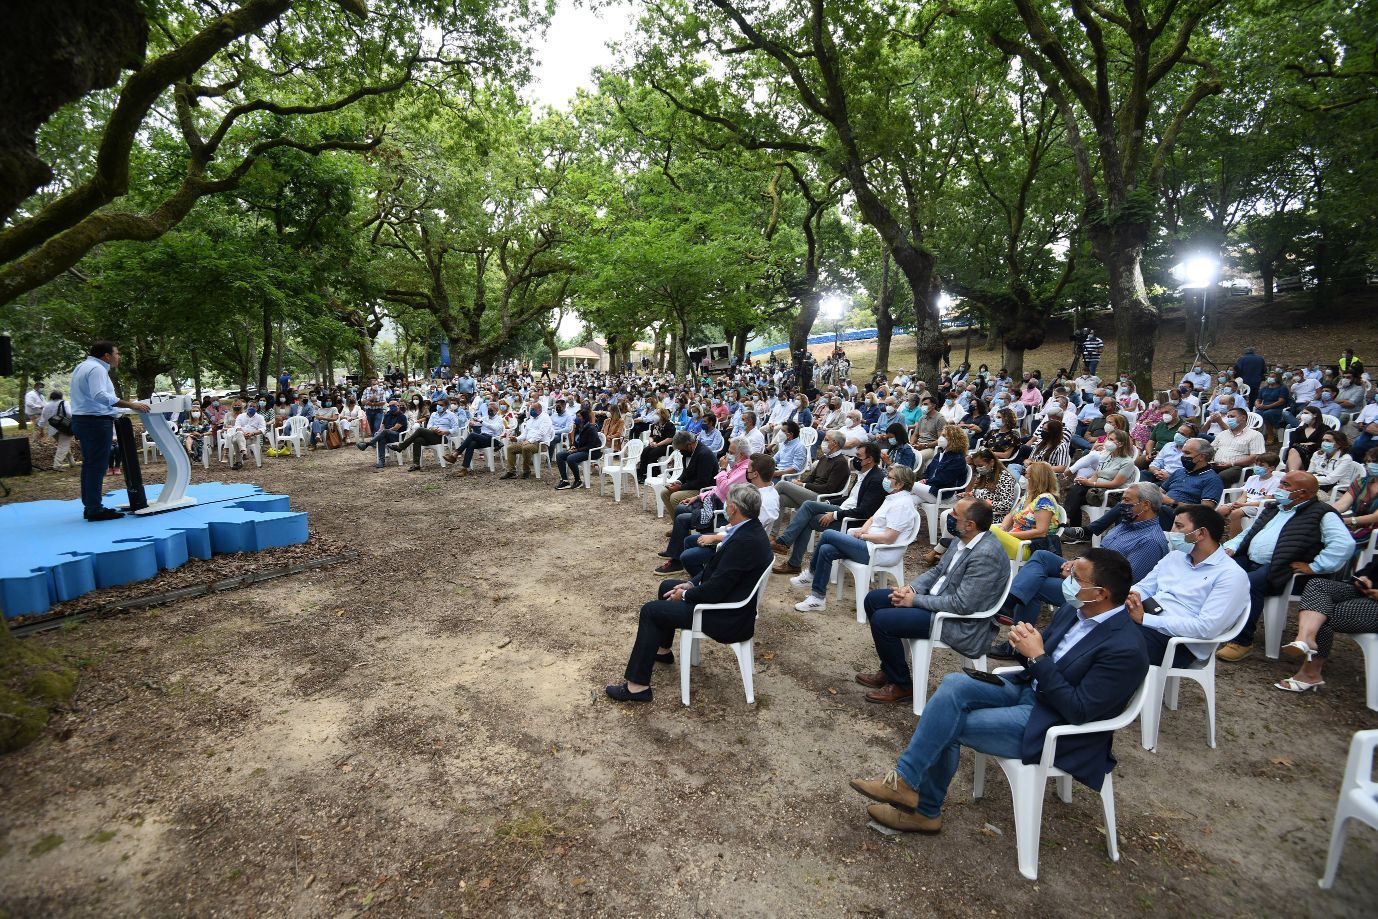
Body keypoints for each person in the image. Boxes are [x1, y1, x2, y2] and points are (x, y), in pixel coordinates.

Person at [847, 549, 1148, 834]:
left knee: (947, 723)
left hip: (1054, 722)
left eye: (1076, 578)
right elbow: (1041, 660)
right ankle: (905, 782)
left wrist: (1038, 657)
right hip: (1030, 688)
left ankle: (924, 811)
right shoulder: (1077, 611)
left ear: (1101, 594)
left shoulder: (1125, 648)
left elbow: (1079, 710)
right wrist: (1024, 645)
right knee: (953, 686)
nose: (1067, 581)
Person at [605, 483, 773, 703]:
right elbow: (717, 574)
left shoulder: (744, 541)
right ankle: (663, 651)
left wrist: (684, 596)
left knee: (650, 611)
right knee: (666, 587)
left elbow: (716, 589)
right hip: (727, 601)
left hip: (723, 616)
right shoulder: (749, 529)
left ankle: (637, 687)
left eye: (728, 503)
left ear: (733, 508)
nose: (725, 507)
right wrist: (691, 585)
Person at [856, 497, 1010, 703]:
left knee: (883, 621)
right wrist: (909, 589)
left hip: (957, 621)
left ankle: (902, 685)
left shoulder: (986, 554)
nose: (950, 517)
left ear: (970, 525)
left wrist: (915, 600)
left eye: (955, 515)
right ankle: (889, 670)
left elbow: (962, 605)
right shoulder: (963, 538)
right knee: (874, 599)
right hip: (936, 602)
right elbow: (938, 571)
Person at [989, 484, 1169, 658]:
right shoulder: (1127, 524)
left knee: (1035, 585)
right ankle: (1010, 602)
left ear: (1145, 505)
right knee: (1042, 556)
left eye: (1127, 500)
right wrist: (1077, 562)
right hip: (1090, 571)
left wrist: (1078, 574)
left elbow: (1120, 583)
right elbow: (1099, 553)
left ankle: (1018, 644)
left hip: (1100, 594)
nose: (1121, 504)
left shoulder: (1150, 541)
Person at [1216, 471, 1354, 661]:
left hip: (1282, 568)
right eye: (1280, 483)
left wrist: (1316, 566)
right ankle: (1214, 624)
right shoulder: (1275, 507)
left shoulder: (1322, 513)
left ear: (1303, 494)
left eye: (1285, 485)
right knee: (1217, 570)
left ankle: (1242, 641)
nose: (1279, 488)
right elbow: (1249, 533)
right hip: (1251, 560)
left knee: (1249, 583)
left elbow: (1344, 544)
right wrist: (1231, 547)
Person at [1126, 504, 1251, 667]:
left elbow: (1206, 628)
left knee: (1111, 646)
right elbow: (1144, 587)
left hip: (1178, 644)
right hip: (1146, 621)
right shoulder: (1176, 556)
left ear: (1201, 533)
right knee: (1091, 619)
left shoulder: (1231, 575)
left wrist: (1145, 619)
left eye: (1179, 526)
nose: (1172, 531)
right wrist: (1129, 598)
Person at [790, 465, 919, 613]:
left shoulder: (902, 504)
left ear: (900, 484)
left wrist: (864, 536)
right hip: (868, 544)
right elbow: (873, 518)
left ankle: (811, 574)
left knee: (827, 535)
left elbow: (889, 538)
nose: (886, 480)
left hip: (879, 551)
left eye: (890, 477)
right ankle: (817, 598)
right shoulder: (893, 498)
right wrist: (862, 530)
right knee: (826, 549)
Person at [771, 442, 887, 574]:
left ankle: (784, 544)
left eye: (858, 456)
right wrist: (828, 503)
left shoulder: (876, 479)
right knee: (807, 515)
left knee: (808, 505)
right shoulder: (863, 474)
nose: (855, 459)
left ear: (869, 460)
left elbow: (865, 511)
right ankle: (793, 563)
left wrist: (835, 515)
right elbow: (850, 498)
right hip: (841, 509)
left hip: (851, 521)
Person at [69, 341, 151, 521]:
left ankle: (91, 506)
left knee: (90, 465)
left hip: (83, 420)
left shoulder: (82, 366)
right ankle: (95, 510)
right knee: (97, 466)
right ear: (107, 355)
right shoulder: (97, 369)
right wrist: (130, 404)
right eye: (117, 353)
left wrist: (119, 410)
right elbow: (99, 396)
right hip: (95, 423)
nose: (119, 356)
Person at [1273, 555, 1378, 693]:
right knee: (1317, 585)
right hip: (1366, 592)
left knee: (1323, 612)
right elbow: (1373, 567)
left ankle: (1310, 673)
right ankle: (1305, 639)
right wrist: (1363, 578)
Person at [680, 455, 779, 578]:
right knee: (689, 541)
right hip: (733, 535)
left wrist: (716, 537)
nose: (746, 472)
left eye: (748, 469)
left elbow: (747, 534)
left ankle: (707, 581)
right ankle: (706, 574)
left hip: (738, 547)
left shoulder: (763, 501)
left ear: (755, 474)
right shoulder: (768, 491)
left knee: (687, 556)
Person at [775, 430, 851, 520]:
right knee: (781, 499)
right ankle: (772, 532)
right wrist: (800, 482)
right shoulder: (824, 457)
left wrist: (804, 485)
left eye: (826, 440)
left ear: (835, 443)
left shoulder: (840, 463)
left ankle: (757, 504)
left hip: (822, 498)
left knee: (783, 484)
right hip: (811, 492)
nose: (823, 442)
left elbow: (828, 489)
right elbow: (811, 477)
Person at [997, 461, 1064, 554]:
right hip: (1015, 539)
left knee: (989, 533)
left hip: (1029, 546)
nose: (1024, 477)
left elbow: (1041, 532)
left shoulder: (1045, 500)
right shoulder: (1029, 495)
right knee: (989, 532)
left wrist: (1009, 535)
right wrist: (1003, 528)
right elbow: (1012, 514)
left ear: (1035, 478)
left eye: (1026, 474)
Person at [1220, 452, 1284, 538]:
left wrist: (1243, 505)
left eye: (1261, 465)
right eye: (1256, 464)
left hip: (1258, 507)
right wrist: (1237, 503)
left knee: (1235, 513)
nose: (1257, 467)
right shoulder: (1252, 478)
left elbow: (1265, 502)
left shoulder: (1275, 482)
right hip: (1245, 504)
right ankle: (1216, 535)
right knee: (1221, 510)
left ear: (1271, 468)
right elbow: (1244, 496)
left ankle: (1235, 540)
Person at [657, 431, 719, 514]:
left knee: (674, 497)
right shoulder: (688, 452)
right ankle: (677, 523)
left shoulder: (704, 454)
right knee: (664, 493)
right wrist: (678, 481)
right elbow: (686, 472)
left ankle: (684, 523)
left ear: (689, 445)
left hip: (704, 489)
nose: (680, 452)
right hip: (693, 485)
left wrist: (680, 487)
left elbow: (702, 482)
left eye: (681, 449)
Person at [911, 425, 969, 504]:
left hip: (943, 493)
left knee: (908, 485)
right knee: (907, 499)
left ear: (953, 439)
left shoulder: (958, 459)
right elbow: (927, 471)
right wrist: (924, 480)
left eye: (944, 436)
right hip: (931, 489)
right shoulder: (940, 454)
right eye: (942, 435)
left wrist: (926, 482)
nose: (940, 438)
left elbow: (944, 479)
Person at [501, 401, 554, 479]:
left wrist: (529, 441)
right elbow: (525, 434)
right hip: (528, 442)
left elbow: (541, 434)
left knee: (526, 448)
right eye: (531, 409)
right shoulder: (531, 419)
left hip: (540, 444)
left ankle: (526, 471)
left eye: (533, 409)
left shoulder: (545, 418)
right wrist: (517, 438)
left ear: (540, 409)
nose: (531, 411)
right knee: (510, 448)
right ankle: (511, 472)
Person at [554, 407, 602, 489]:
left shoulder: (591, 429)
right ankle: (565, 481)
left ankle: (578, 481)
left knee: (570, 458)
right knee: (559, 455)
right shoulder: (578, 428)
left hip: (592, 452)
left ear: (584, 418)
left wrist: (577, 450)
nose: (576, 418)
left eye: (579, 416)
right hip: (582, 450)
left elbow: (590, 445)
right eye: (576, 416)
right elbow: (578, 442)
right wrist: (573, 447)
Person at [357, 400, 409, 468]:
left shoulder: (402, 416)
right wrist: (379, 432)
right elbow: (382, 425)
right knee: (381, 439)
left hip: (397, 436)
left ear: (398, 406)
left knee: (385, 432)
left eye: (393, 405)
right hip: (387, 435)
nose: (391, 407)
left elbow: (395, 428)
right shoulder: (387, 414)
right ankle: (381, 461)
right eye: (390, 406)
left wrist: (383, 432)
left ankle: (367, 444)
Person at [39, 390, 75, 469]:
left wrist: (41, 431)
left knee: (64, 445)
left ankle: (72, 462)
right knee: (63, 446)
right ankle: (57, 465)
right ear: (61, 396)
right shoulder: (64, 403)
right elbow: (69, 414)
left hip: (53, 429)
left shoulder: (47, 406)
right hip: (65, 427)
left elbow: (42, 419)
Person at [227, 402, 266, 469]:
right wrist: (243, 433)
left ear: (257, 408)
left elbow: (263, 429)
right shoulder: (240, 416)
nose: (252, 408)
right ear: (247, 407)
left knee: (236, 441)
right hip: (240, 434)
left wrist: (252, 433)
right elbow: (237, 427)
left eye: (254, 407)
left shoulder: (260, 417)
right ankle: (244, 452)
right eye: (250, 406)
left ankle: (238, 462)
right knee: (239, 434)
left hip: (251, 438)